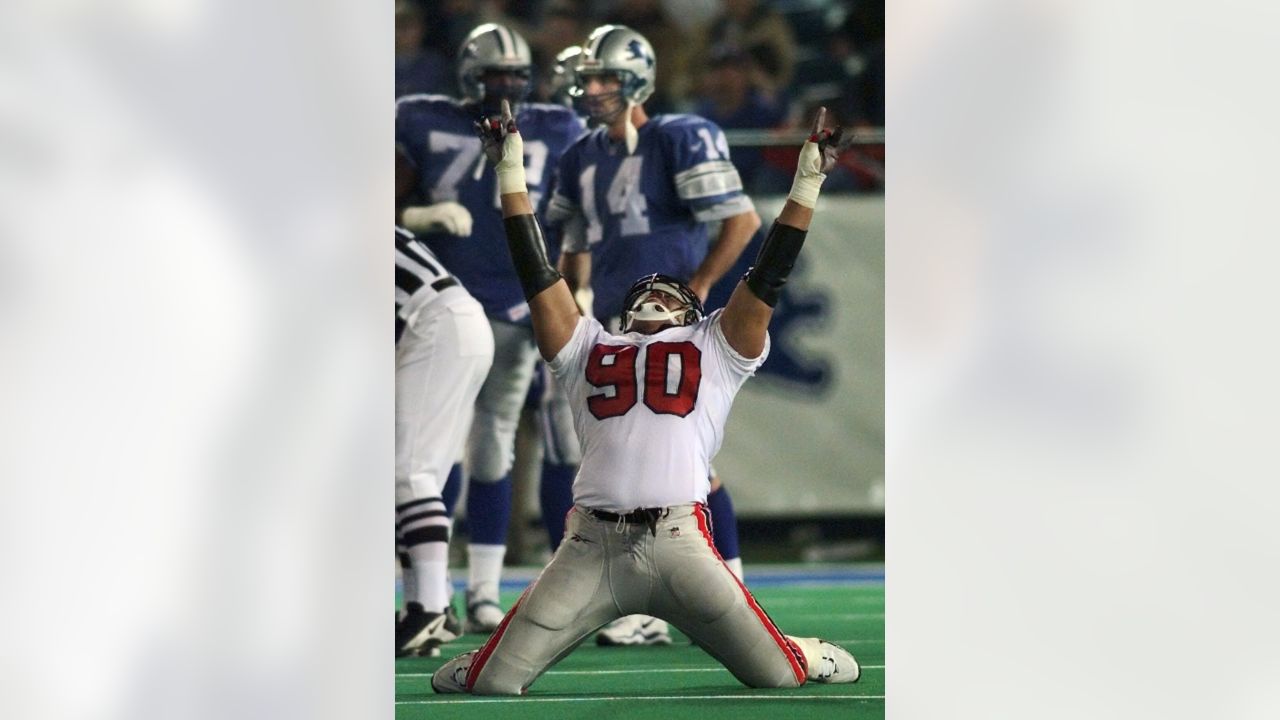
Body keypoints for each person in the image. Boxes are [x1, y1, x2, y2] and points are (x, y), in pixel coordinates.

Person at [429, 100, 858, 695]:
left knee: (778, 677)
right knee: (490, 684)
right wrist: (510, 175)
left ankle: (798, 651)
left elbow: (768, 274)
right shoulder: (588, 344)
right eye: (645, 291)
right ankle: (501, 653)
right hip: (589, 546)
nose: (656, 296)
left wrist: (807, 183)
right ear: (623, 311)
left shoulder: (718, 345)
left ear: (692, 311)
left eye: (670, 292)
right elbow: (537, 275)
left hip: (680, 541)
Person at [540, 24, 759, 645]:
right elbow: (576, 239)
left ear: (637, 78)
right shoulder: (581, 153)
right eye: (588, 78)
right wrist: (576, 295)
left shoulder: (678, 136)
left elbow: (741, 219)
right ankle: (698, 597)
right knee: (636, 464)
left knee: (686, 466)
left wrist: (702, 287)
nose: (592, 88)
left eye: (604, 77)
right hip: (613, 328)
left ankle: (711, 595)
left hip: (672, 329)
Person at [396, 23, 586, 634]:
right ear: (467, 77)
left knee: (491, 441)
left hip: (516, 302)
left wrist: (574, 281)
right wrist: (414, 213)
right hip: (448, 299)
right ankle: (438, 589)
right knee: (439, 446)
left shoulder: (557, 125)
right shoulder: (421, 117)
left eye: (514, 76)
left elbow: (575, 211)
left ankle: (481, 589)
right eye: (492, 75)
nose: (504, 87)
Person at [394, 226, 494, 657]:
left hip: (436, 324)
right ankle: (424, 606)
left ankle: (431, 606)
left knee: (407, 471)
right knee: (415, 472)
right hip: (453, 320)